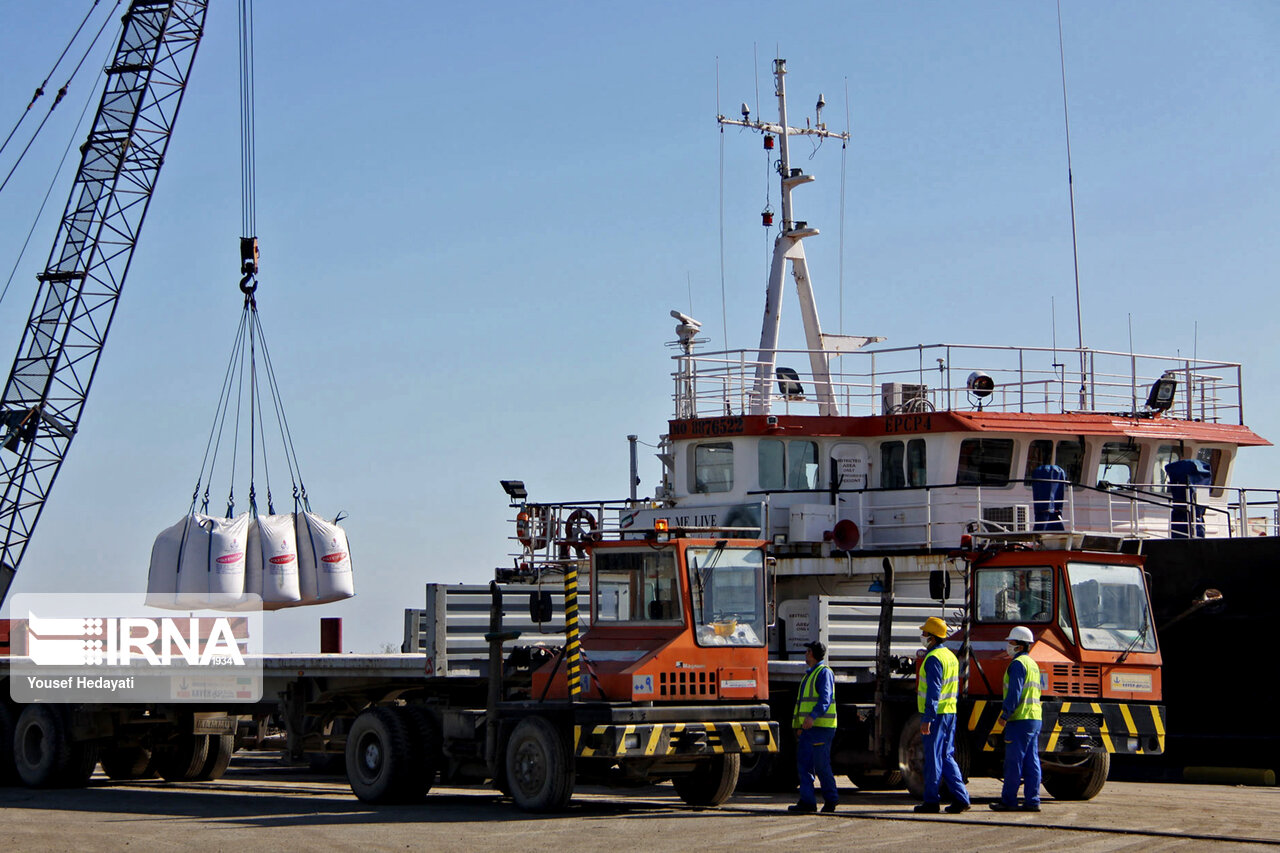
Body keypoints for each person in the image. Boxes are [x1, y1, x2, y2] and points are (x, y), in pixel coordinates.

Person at [914, 617, 971, 814]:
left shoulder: (933, 659)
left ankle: (931, 801)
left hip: (936, 715)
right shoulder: (950, 657)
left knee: (933, 758)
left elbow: (933, 691)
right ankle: (961, 798)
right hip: (949, 713)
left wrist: (928, 718)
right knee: (946, 756)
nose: (922, 636)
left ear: (932, 637)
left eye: (924, 633)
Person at [990, 625, 1042, 812]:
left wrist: (1005, 714)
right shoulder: (1033, 664)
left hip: (1019, 719)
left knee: (1014, 762)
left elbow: (1014, 693)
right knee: (1032, 761)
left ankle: (1009, 801)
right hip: (1034, 718)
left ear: (1020, 645)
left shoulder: (1018, 664)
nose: (1008, 645)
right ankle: (1033, 801)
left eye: (1011, 642)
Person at [787, 640, 838, 814]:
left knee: (821, 766)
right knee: (805, 766)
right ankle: (807, 802)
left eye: (808, 651)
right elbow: (803, 704)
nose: (805, 654)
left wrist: (812, 718)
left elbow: (825, 699)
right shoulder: (811, 674)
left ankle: (831, 800)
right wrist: (801, 726)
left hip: (820, 728)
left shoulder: (823, 673)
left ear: (814, 654)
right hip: (810, 729)